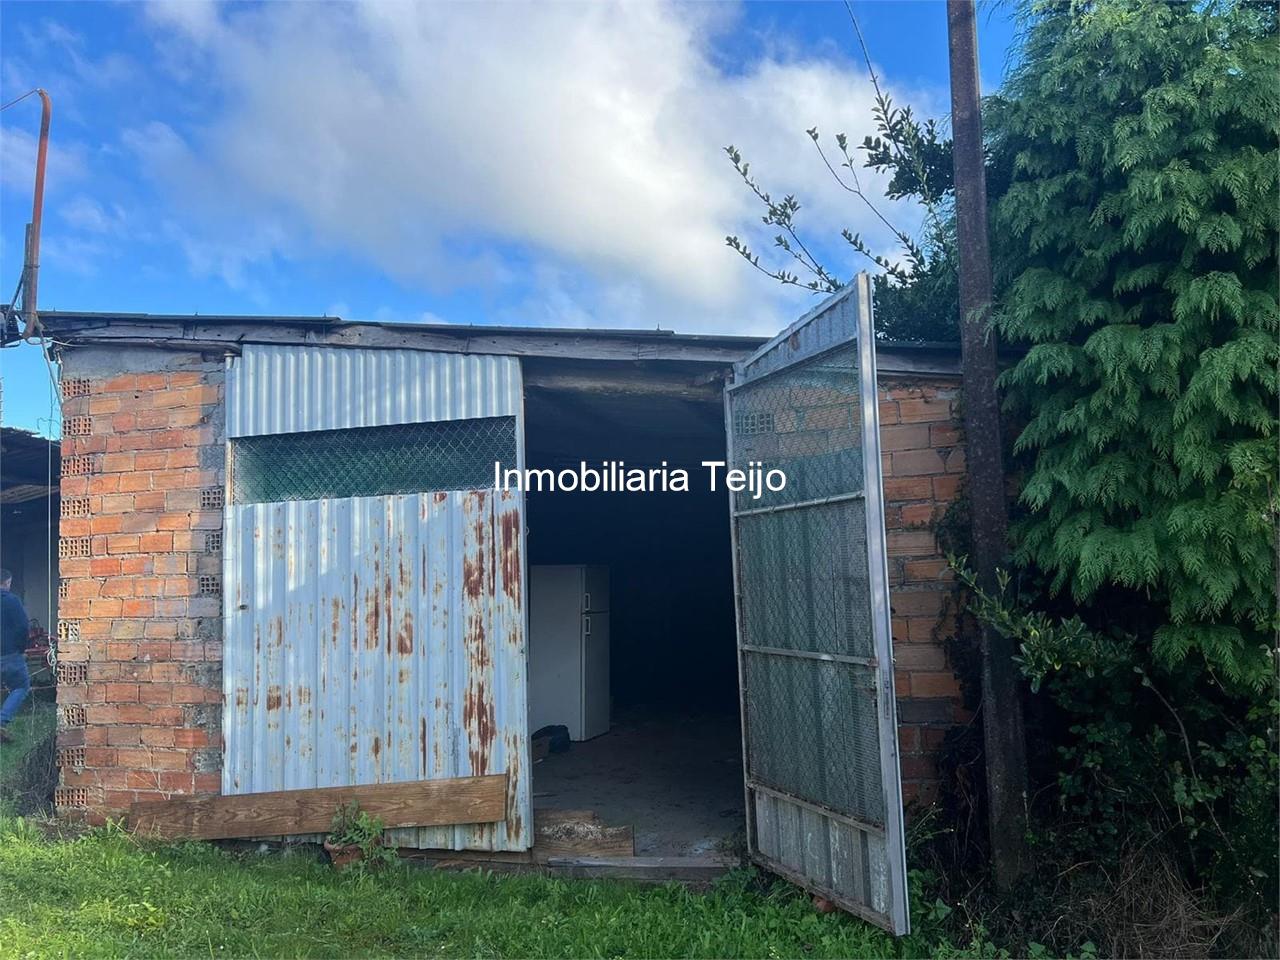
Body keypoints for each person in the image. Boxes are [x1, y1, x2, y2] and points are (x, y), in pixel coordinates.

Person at [0, 568, 32, 742]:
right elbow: (23, 628)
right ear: (7, 582)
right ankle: (2, 720)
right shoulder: (13, 601)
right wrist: (21, 649)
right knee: (21, 686)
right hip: (10, 654)